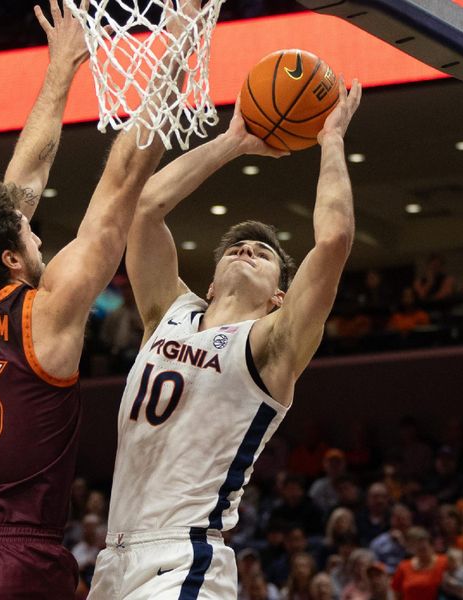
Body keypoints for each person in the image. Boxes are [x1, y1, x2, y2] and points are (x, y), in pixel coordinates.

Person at [0, 1, 181, 597]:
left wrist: (62, 65)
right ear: (11, 258)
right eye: (28, 234)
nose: (37, 233)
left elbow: (24, 175)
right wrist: (179, 41)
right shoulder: (45, 316)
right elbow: (123, 179)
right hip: (15, 561)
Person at [88, 73, 362, 597]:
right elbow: (147, 208)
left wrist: (330, 140)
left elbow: (334, 240)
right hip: (115, 556)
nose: (246, 251)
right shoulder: (166, 312)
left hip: (184, 557)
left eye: (261, 255)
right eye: (237, 248)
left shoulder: (272, 343)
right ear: (209, 283)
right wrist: (233, 140)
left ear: (279, 297)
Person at [390, 527, 446, 600]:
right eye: (419, 548)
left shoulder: (443, 562)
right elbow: (396, 594)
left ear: (431, 546)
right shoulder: (403, 566)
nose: (422, 550)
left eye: (424, 548)